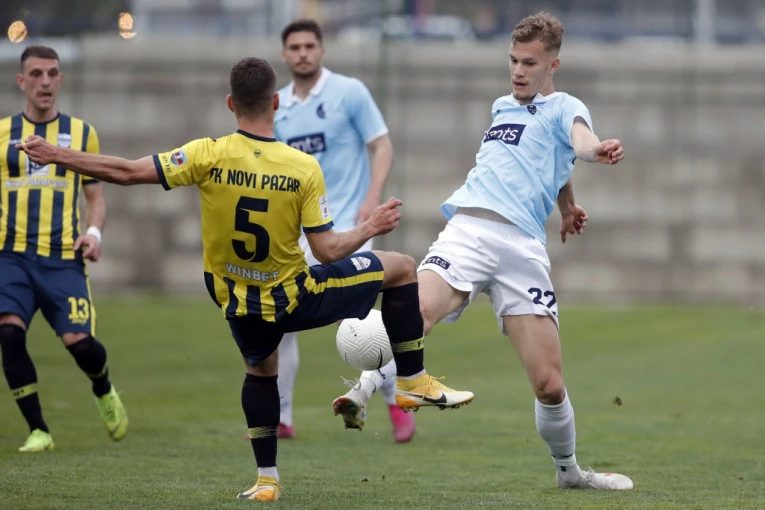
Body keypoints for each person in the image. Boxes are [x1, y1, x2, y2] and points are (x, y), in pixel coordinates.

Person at [16, 57, 474, 501]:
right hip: (296, 297)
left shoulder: (206, 154)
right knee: (401, 266)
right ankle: (411, 380)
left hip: (237, 301)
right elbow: (328, 251)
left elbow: (128, 172)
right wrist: (370, 227)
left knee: (261, 371)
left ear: (230, 104)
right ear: (275, 102)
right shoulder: (301, 167)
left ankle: (267, 481)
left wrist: (56, 154)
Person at [332, 12, 634, 490]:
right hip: (467, 232)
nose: (518, 71)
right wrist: (567, 205)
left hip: (521, 249)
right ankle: (364, 390)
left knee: (549, 385)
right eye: (513, 60)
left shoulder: (565, 107)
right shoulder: (501, 107)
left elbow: (577, 143)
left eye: (529, 63)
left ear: (553, 64)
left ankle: (569, 473)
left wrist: (595, 153)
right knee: (417, 314)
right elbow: (535, 158)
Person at [272, 19, 416, 443]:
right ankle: (282, 418)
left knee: (363, 324)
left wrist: (371, 198)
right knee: (280, 321)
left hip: (349, 227)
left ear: (321, 50)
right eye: (295, 47)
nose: (302, 53)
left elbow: (382, 144)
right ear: (284, 54)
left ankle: (395, 403)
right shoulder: (278, 106)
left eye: (309, 45)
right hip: (296, 234)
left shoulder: (349, 92)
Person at [0, 45, 128, 453]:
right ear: (21, 81)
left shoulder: (81, 133)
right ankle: (38, 430)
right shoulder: (2, 133)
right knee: (8, 332)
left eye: (52, 73)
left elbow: (95, 198)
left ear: (61, 79)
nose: (45, 82)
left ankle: (103, 387)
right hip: (10, 255)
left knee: (80, 344)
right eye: (36, 74)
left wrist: (94, 234)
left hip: (61, 257)